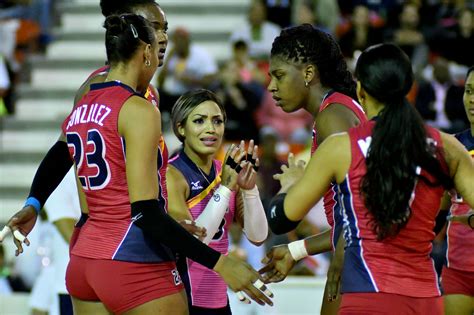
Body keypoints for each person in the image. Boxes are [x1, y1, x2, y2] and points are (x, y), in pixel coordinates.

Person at [2, 12, 272, 315]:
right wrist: (222, 264)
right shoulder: (138, 108)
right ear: (145, 52)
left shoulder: (85, 98)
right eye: (157, 43)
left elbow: (60, 153)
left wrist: (34, 201)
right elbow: (144, 211)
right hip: (130, 257)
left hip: (83, 258)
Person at [260, 43, 474, 314]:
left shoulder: (341, 147)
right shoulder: (448, 147)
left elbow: (280, 219)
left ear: (360, 90)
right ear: (409, 88)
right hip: (426, 301)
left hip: (368, 298)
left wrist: (290, 186)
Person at [264, 23, 367, 314]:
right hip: (358, 257)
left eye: (279, 75)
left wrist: (292, 186)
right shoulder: (336, 110)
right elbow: (345, 220)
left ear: (308, 74)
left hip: (360, 262)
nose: (271, 86)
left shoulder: (332, 118)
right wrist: (297, 250)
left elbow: (363, 204)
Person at [167, 89, 268, 314]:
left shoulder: (226, 173)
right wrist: (225, 187)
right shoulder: (171, 174)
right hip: (183, 299)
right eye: (199, 121)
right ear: (181, 128)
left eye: (217, 121)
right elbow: (192, 241)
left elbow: (258, 236)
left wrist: (250, 189)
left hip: (219, 299)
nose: (210, 129)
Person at [440, 66, 474, 315]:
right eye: (469, 91)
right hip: (458, 269)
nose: (472, 99)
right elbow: (437, 210)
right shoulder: (451, 145)